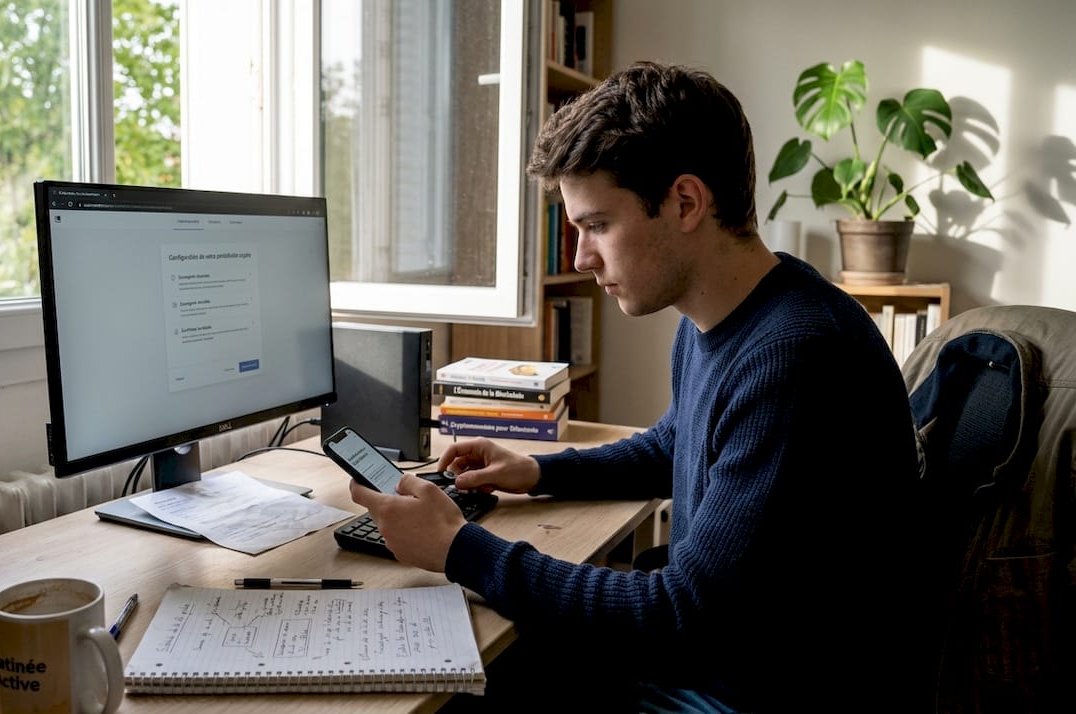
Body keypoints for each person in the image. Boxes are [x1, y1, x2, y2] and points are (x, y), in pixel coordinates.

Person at [349, 60, 928, 713]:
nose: (579, 257)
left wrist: (459, 549)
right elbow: (674, 446)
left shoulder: (795, 358)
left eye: (596, 225)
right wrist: (537, 470)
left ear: (685, 202)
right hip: (719, 660)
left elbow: (680, 614)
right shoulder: (733, 315)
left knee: (454, 689)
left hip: (750, 693)